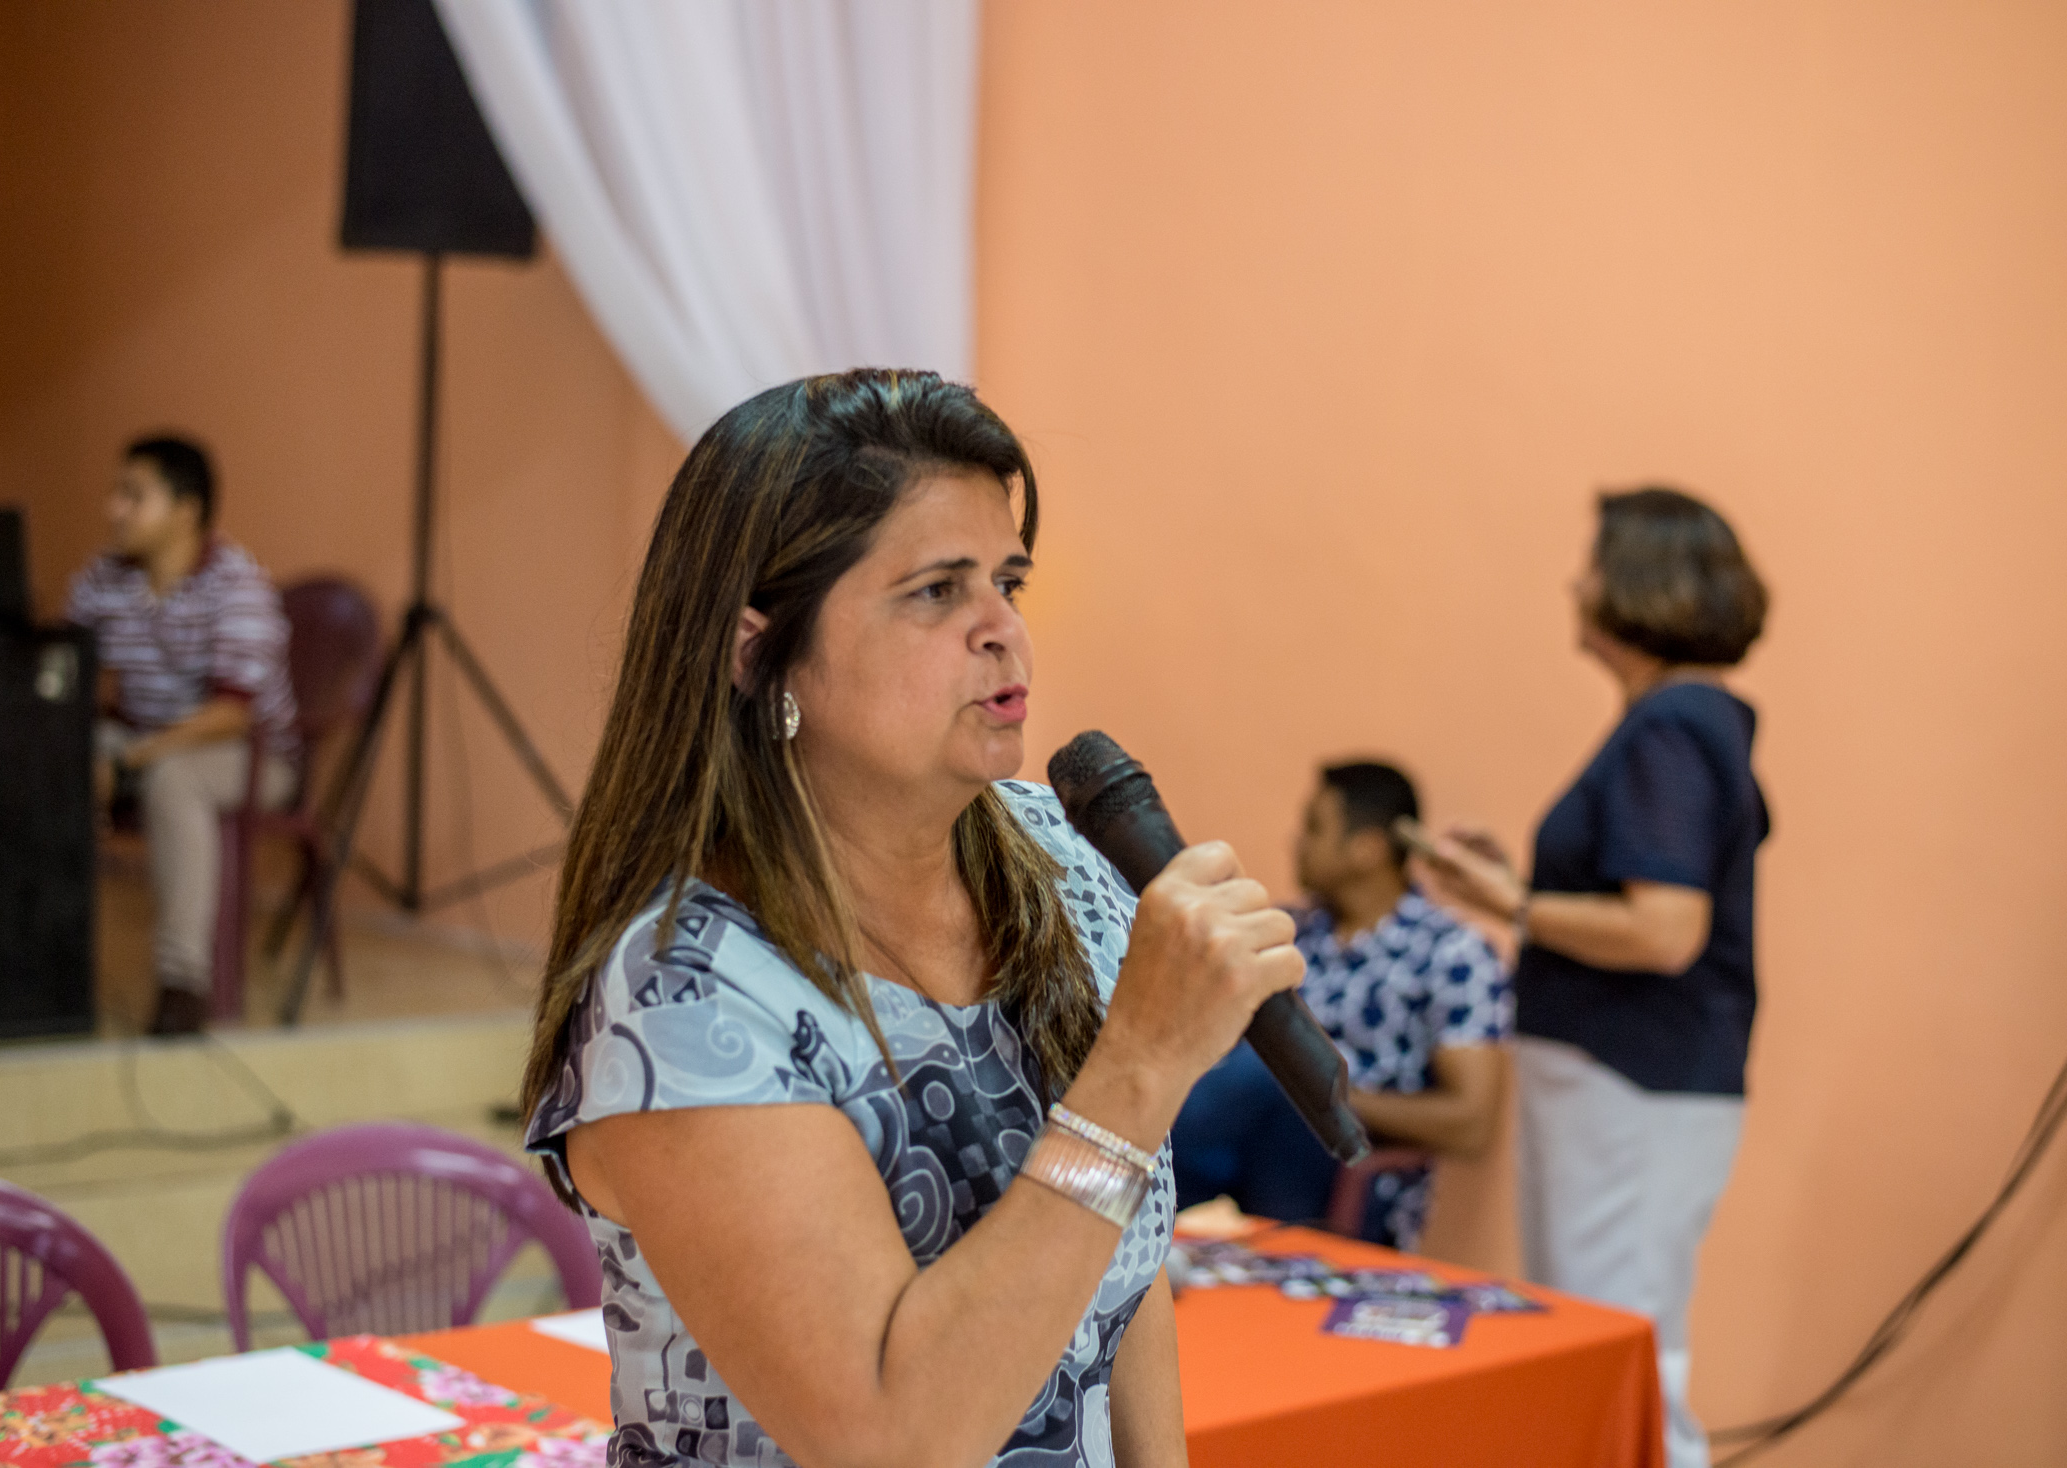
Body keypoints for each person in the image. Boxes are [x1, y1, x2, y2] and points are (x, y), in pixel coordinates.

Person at [521, 371, 1302, 1468]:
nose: (1003, 632)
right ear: (757, 651)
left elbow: (1120, 1282)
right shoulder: (681, 993)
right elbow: (892, 1440)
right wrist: (1139, 1065)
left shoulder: (1061, 862)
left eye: (1008, 581)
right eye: (937, 591)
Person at [1421, 486, 1769, 1468]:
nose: (1576, 585)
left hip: (1629, 1082)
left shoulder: (1670, 727)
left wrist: (1511, 903)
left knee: (1621, 1352)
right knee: (1616, 1340)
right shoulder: (1686, 725)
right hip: (1632, 1084)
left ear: (1638, 586)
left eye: (1593, 565)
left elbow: (1663, 929)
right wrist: (1521, 887)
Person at [1171, 761, 1509, 1249]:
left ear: (1366, 848)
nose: (1297, 841)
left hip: (1351, 1172)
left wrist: (1318, 1093)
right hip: (1242, 1148)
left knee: (1263, 1078)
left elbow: (1471, 1123)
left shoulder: (1451, 953)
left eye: (1314, 826)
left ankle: (1111, 1181)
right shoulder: (1290, 930)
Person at [66, 435, 298, 1036]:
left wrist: (126, 762)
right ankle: (37, 964)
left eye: (132, 494)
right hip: (143, 735)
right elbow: (65, 663)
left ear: (186, 510)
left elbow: (231, 714)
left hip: (249, 755)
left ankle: (182, 984)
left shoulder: (237, 584)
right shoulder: (105, 579)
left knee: (173, 778)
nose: (113, 508)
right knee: (46, 757)